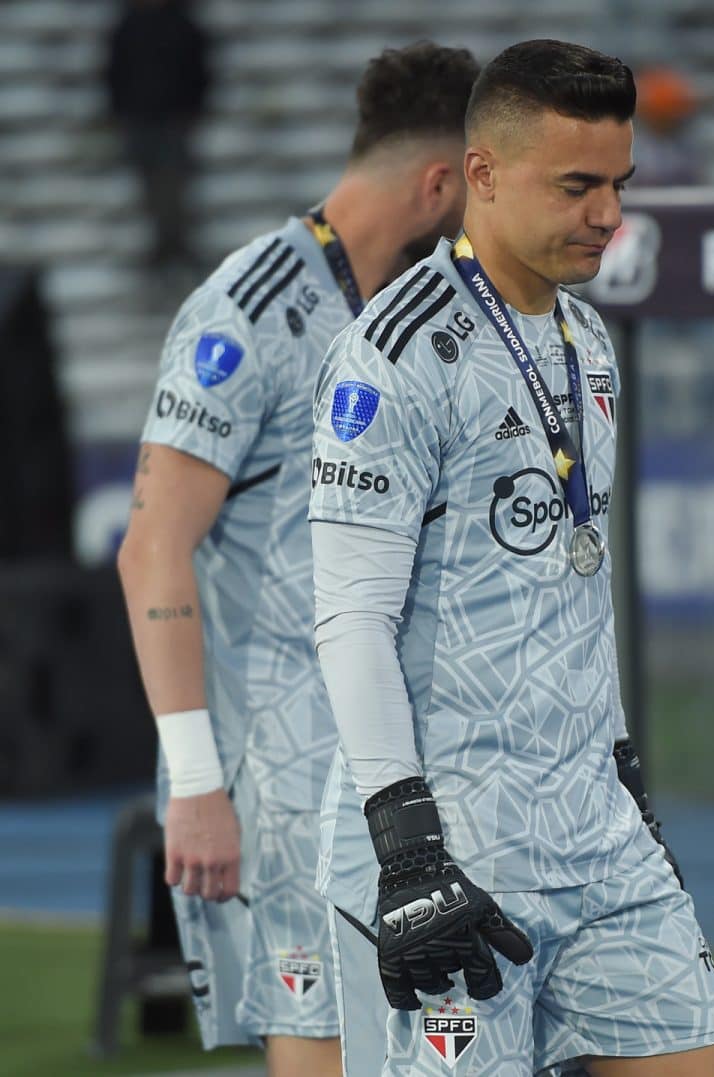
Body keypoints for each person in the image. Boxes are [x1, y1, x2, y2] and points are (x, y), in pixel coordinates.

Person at [308, 38, 714, 1076]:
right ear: (483, 176)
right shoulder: (392, 354)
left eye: (618, 185)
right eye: (578, 185)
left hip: (596, 839)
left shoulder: (588, 342)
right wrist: (406, 846)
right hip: (455, 847)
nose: (608, 214)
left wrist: (625, 784)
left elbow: (571, 589)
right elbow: (351, 618)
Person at [116, 42, 480, 1076]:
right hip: (276, 758)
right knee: (319, 1039)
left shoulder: (402, 307)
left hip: (375, 744)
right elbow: (151, 551)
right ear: (439, 182)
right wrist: (195, 783)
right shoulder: (247, 310)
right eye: (480, 183)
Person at [105, 0, 211, 273]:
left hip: (173, 121)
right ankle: (163, 245)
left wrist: (192, 110)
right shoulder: (128, 25)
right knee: (150, 186)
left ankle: (174, 245)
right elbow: (115, 71)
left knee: (173, 184)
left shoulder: (182, 24)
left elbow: (198, 69)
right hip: (139, 121)